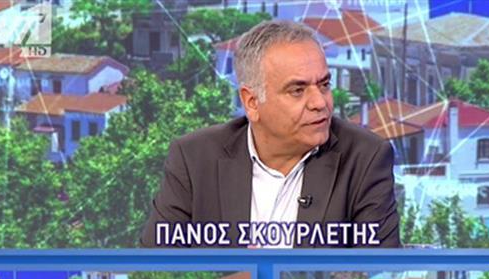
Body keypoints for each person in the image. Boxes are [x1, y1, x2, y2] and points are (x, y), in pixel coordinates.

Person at [141, 20, 400, 248]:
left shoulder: (365, 158)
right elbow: (155, 269)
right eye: (297, 90)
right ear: (252, 102)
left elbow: (378, 274)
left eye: (324, 85)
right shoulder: (194, 158)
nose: (320, 102)